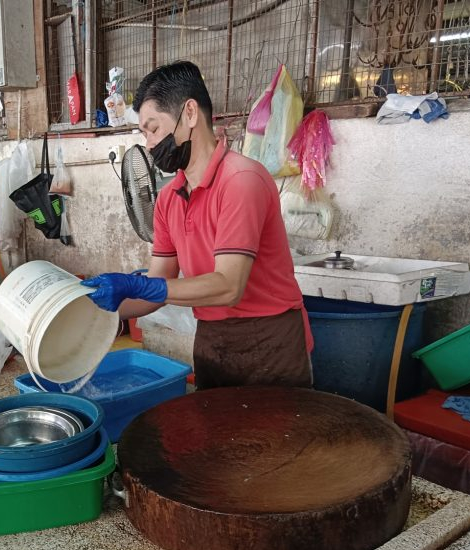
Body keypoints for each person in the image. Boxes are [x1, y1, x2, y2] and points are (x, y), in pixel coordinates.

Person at [82, 61, 312, 390]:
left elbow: (229, 286)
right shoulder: (168, 200)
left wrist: (140, 286)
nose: (148, 145)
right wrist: (92, 309)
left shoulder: (241, 181)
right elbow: (157, 289)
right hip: (212, 340)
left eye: (153, 128)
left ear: (190, 113)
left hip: (270, 342)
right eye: (144, 134)